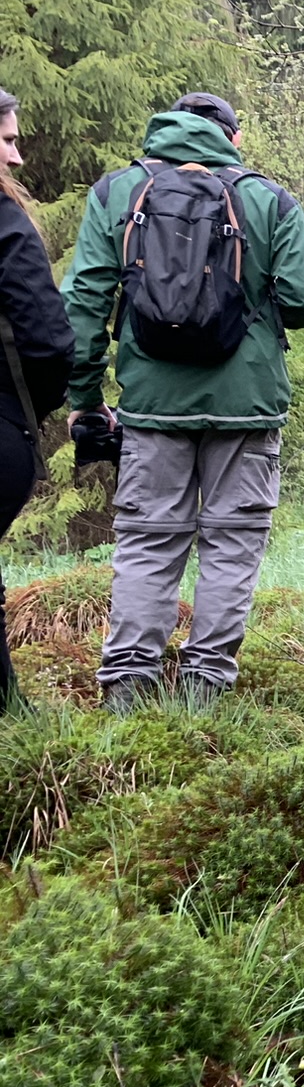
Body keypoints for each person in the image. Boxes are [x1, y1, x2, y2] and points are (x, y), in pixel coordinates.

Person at [64, 92, 304, 710]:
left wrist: (85, 398)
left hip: (152, 405)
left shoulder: (116, 195)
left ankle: (128, 690)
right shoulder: (267, 198)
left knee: (149, 541)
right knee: (232, 543)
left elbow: (83, 306)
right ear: (232, 140)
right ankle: (203, 692)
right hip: (247, 406)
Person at [0, 89, 77, 712]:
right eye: (6, 139)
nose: (19, 157)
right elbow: (49, 341)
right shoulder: (5, 222)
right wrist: (35, 411)